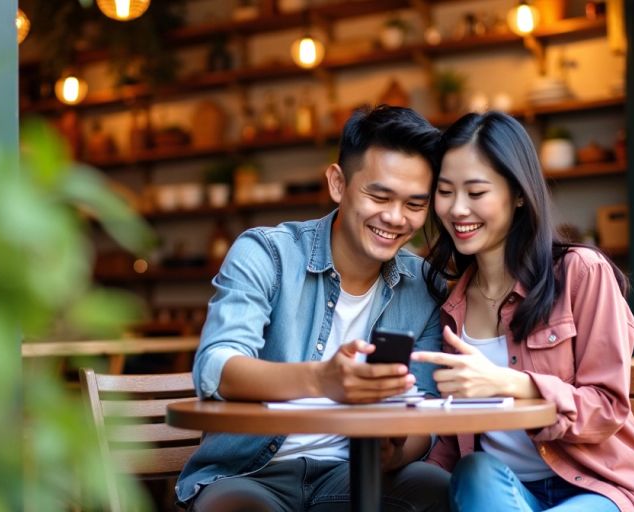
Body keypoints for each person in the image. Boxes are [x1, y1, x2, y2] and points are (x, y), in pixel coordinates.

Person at [177, 105, 451, 512]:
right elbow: (216, 367)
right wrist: (323, 380)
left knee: (438, 489)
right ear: (338, 184)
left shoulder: (423, 285)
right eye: (379, 195)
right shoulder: (268, 254)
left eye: (415, 204)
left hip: (352, 474)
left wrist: (396, 452)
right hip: (247, 474)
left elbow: (424, 410)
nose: (395, 218)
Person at [410, 112, 634, 512]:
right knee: (474, 470)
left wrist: (511, 383)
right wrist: (400, 462)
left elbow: (606, 409)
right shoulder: (450, 302)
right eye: (446, 191)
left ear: (518, 193)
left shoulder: (580, 273)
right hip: (505, 495)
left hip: (601, 490)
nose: (457, 209)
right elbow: (454, 442)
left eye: (476, 192)